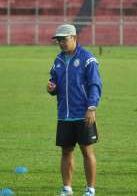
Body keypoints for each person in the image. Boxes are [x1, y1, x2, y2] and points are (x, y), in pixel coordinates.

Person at [47, 24, 102, 196]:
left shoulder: (87, 58)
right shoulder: (58, 60)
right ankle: (67, 188)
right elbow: (53, 81)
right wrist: (51, 88)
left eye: (64, 39)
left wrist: (91, 107)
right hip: (64, 114)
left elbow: (95, 84)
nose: (61, 43)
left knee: (87, 151)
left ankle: (90, 189)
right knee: (66, 151)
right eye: (59, 40)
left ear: (74, 38)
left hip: (83, 113)